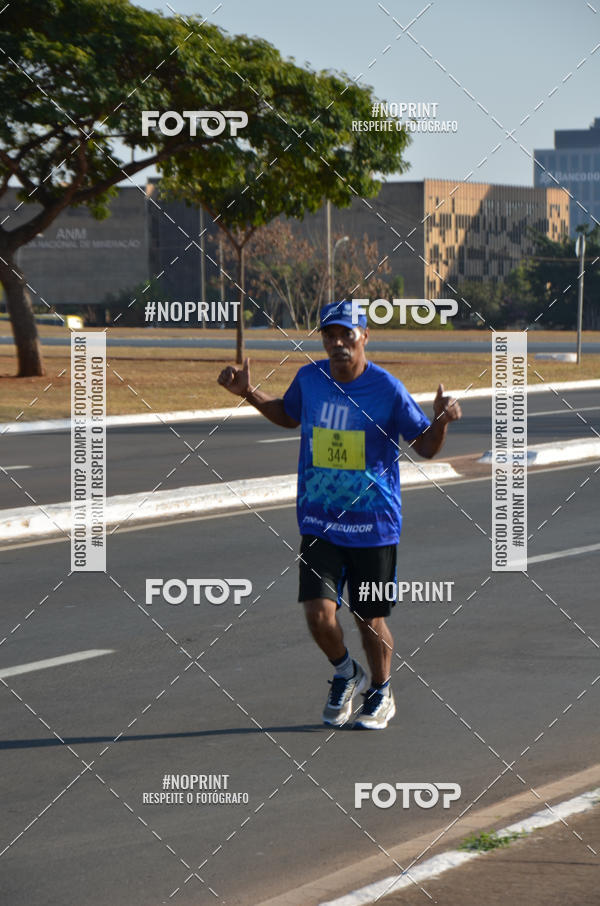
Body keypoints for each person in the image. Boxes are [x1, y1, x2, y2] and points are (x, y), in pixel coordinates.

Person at [217, 301, 462, 730]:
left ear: (364, 336)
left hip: (373, 524)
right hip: (320, 521)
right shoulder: (310, 379)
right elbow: (288, 414)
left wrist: (440, 422)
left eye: (346, 334)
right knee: (318, 614)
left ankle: (381, 691)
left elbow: (424, 446)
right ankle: (346, 671)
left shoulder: (387, 389)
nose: (337, 343)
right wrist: (249, 393)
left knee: (368, 619)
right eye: (329, 335)